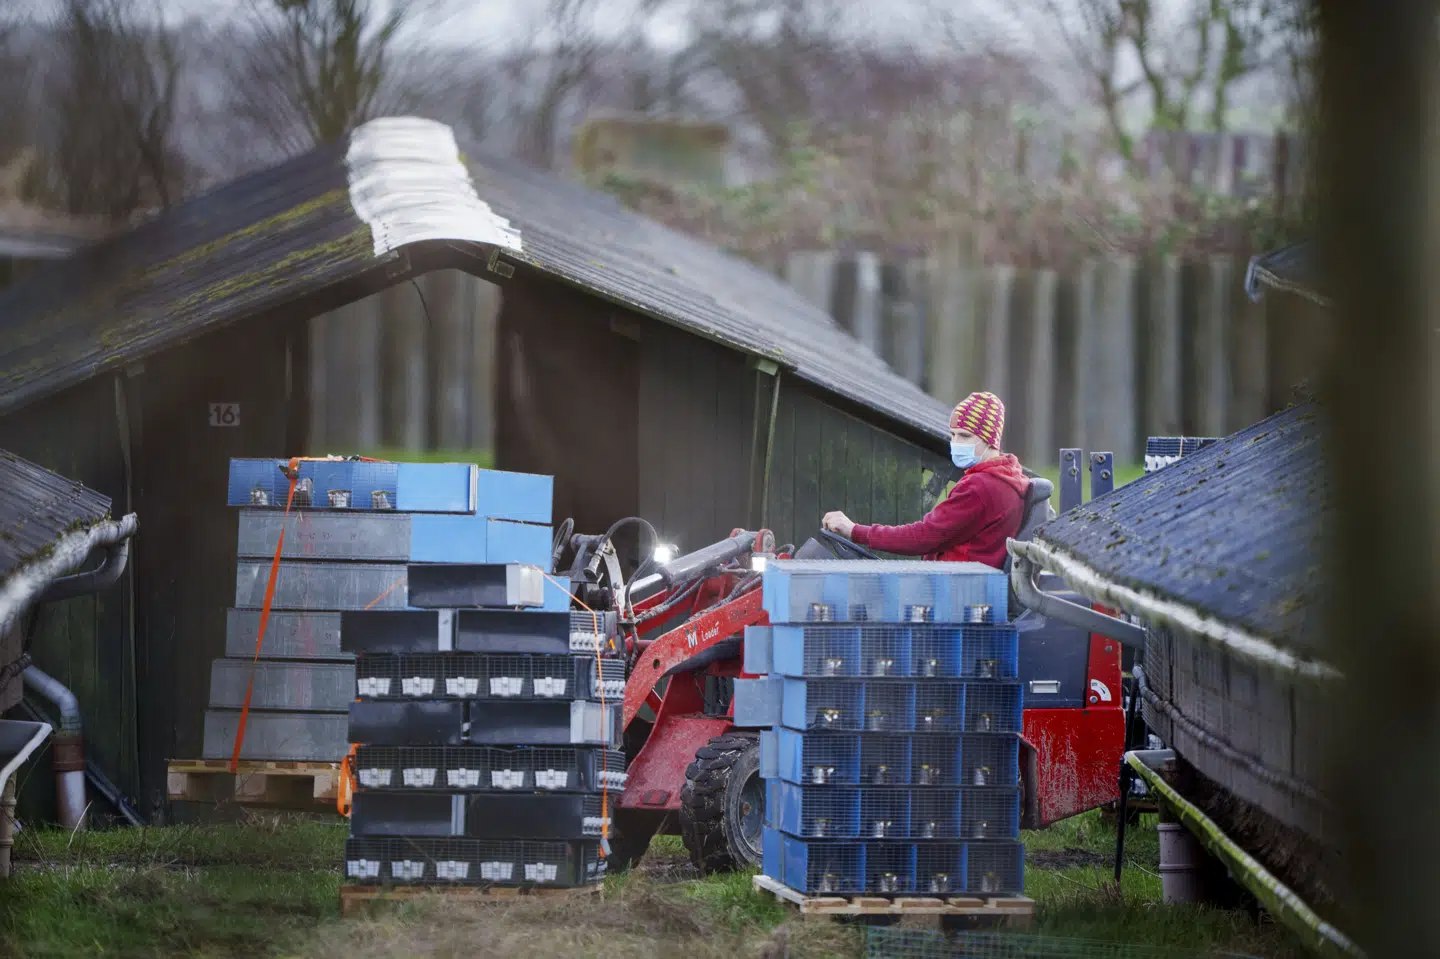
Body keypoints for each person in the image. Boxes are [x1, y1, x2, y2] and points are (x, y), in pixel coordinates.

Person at [821, 391, 1030, 569]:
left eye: (964, 436)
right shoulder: (1007, 478)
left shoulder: (982, 486)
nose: (955, 443)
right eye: (953, 435)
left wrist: (855, 530)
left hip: (957, 590)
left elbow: (923, 536)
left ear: (989, 440)